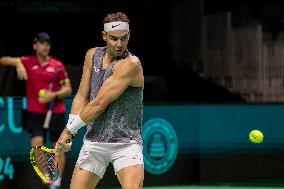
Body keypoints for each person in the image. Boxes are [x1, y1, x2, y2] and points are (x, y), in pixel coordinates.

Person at [55, 12, 144, 189]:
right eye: (113, 38)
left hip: (126, 143)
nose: (119, 44)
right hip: (94, 141)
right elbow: (82, 95)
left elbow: (98, 104)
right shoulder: (92, 55)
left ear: (129, 35)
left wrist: (67, 131)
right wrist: (72, 130)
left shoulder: (131, 64)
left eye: (123, 38)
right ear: (104, 36)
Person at [0, 32, 72, 189]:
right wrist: (18, 63)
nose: (45, 46)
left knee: (58, 147)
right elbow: (3, 60)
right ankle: (48, 177)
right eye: (41, 43)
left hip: (55, 111)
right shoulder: (27, 61)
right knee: (36, 148)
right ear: (35, 46)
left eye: (47, 44)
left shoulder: (57, 66)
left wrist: (53, 95)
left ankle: (57, 181)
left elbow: (68, 89)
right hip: (35, 113)